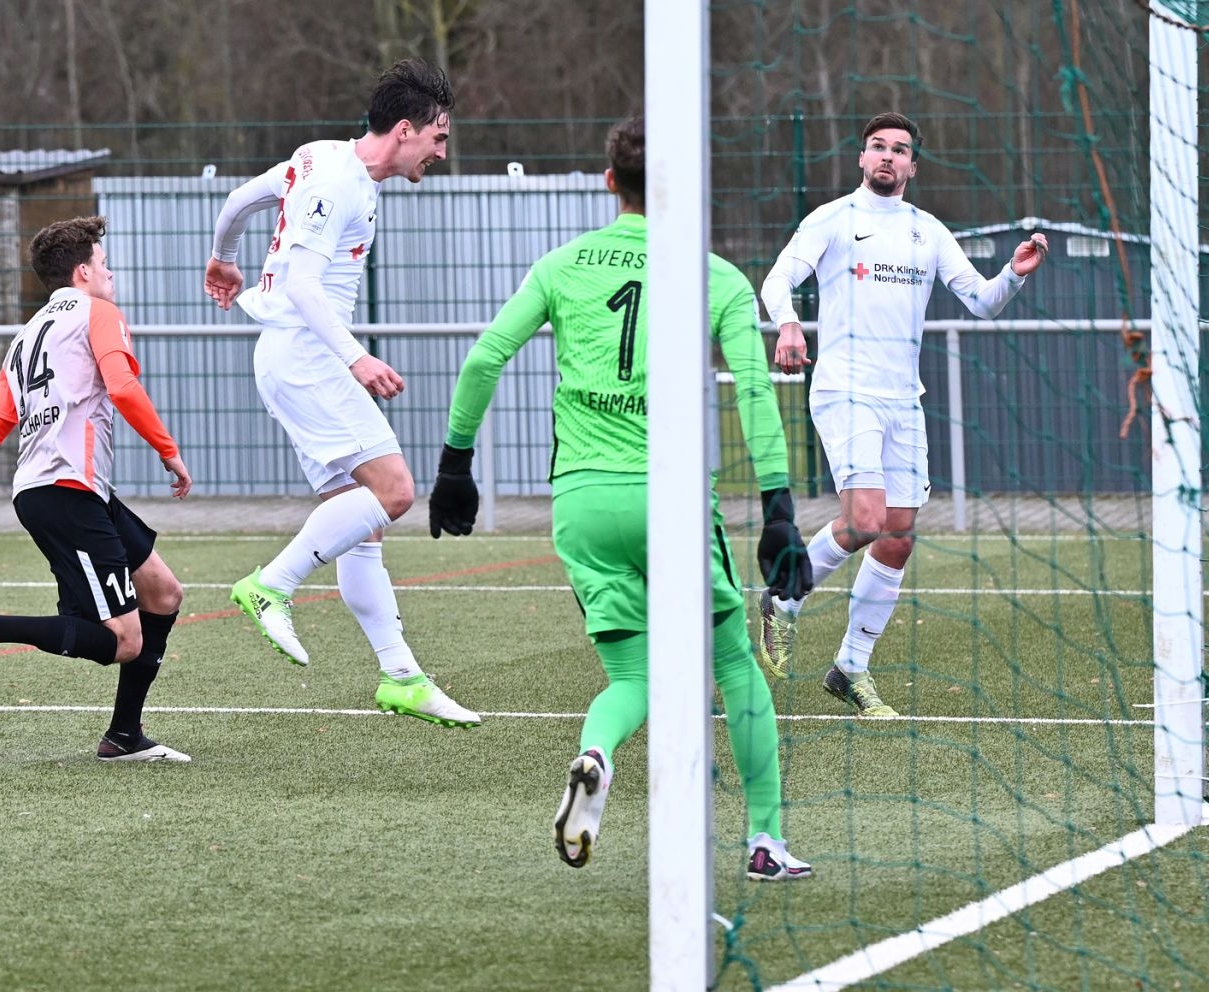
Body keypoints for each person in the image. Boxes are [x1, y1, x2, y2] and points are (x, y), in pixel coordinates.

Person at [430, 115, 816, 881]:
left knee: (633, 679)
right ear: (684, 185)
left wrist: (455, 464)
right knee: (733, 662)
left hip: (583, 500)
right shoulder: (716, 276)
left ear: (611, 182)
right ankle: (765, 841)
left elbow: (483, 360)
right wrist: (779, 507)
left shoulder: (562, 264)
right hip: (670, 500)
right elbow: (755, 394)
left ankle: (598, 755)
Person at [203, 58, 479, 728]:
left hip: (294, 356)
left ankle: (402, 677)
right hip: (308, 356)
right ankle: (271, 584)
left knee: (363, 527)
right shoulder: (337, 180)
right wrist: (356, 359)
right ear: (406, 129)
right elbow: (302, 284)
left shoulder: (323, 157)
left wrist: (224, 257)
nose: (442, 153)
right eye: (438, 138)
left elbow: (240, 199)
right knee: (395, 492)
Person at [758, 112, 1047, 717]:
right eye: (878, 147)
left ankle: (850, 669)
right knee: (864, 519)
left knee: (897, 537)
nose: (888, 156)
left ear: (913, 165)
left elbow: (982, 301)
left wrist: (1013, 275)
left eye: (900, 149)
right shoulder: (834, 219)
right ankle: (784, 597)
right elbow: (778, 279)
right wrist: (788, 322)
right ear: (862, 159)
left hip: (902, 400)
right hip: (846, 390)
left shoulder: (927, 230)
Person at [0, 216, 195, 763]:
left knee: (163, 593)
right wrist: (168, 450)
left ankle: (123, 736)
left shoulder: (25, 337)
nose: (110, 274)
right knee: (124, 641)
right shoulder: (98, 313)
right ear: (83, 271)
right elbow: (123, 386)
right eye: (104, 264)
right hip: (67, 491)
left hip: (63, 491)